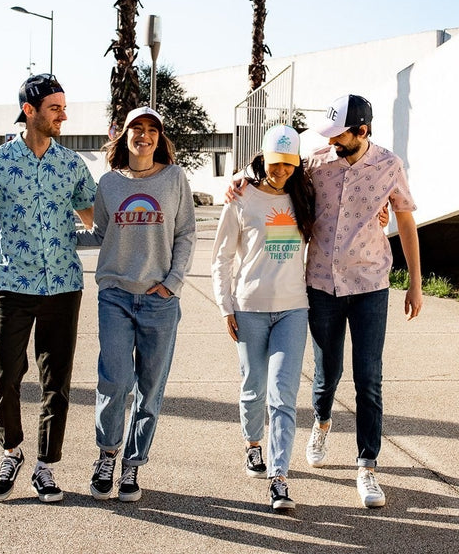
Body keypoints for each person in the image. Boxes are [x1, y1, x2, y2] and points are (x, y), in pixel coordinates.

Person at [0, 73, 97, 504]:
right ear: (30, 111)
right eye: (55, 108)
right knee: (4, 373)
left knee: (57, 380)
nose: (64, 115)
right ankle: (12, 451)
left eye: (64, 107)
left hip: (63, 286)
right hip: (12, 284)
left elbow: (98, 219)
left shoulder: (72, 166)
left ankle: (46, 467)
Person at [84, 106, 196, 503]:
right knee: (114, 381)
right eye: (137, 128)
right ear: (125, 136)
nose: (144, 135)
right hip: (114, 294)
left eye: (151, 130)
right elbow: (100, 233)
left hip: (158, 301)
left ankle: (133, 464)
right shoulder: (109, 183)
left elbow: (185, 234)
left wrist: (172, 284)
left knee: (150, 387)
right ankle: (107, 455)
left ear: (159, 138)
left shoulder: (174, 178)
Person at [210, 124, 316, 513]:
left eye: (290, 165)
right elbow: (220, 257)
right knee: (253, 386)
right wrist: (225, 305)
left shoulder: (304, 196)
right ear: (264, 158)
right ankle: (253, 444)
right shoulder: (241, 198)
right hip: (250, 307)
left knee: (282, 395)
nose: (282, 171)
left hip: (293, 308)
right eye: (276, 163)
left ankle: (279, 478)